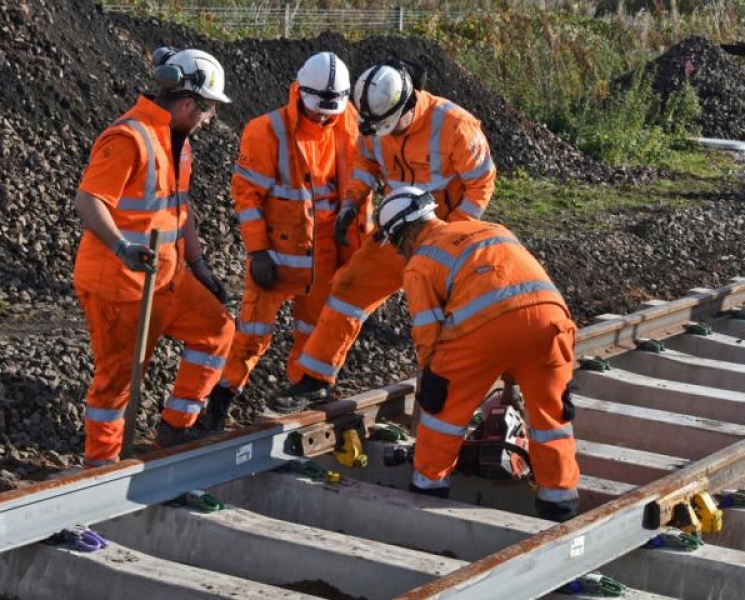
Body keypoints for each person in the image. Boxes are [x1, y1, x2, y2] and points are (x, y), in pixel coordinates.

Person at [272, 59, 497, 412]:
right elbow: (367, 164)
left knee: (446, 317)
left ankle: (453, 386)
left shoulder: (455, 125)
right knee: (347, 289)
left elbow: (481, 181)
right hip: (397, 230)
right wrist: (351, 201)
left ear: (407, 105)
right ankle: (314, 380)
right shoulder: (375, 120)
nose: (386, 135)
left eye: (390, 127)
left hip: (445, 234)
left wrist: (457, 234)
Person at [374, 186, 580, 522]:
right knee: (552, 420)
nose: (399, 254)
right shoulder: (492, 228)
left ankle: (428, 489)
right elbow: (517, 293)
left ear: (408, 232)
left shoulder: (419, 263)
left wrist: (432, 382)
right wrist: (513, 377)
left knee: (443, 417)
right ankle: (560, 506)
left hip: (484, 330)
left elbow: (427, 331)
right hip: (552, 323)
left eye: (397, 244)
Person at [73, 47, 235, 466]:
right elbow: (89, 200)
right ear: (187, 103)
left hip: (165, 277)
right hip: (119, 282)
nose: (210, 118)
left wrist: (197, 264)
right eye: (208, 109)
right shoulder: (128, 137)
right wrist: (122, 247)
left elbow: (180, 208)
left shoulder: (176, 141)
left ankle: (175, 429)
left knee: (217, 330)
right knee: (118, 382)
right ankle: (101, 465)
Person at [200, 52, 363, 430]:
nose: (324, 117)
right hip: (277, 249)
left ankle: (302, 396)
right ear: (299, 91)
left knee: (315, 330)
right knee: (253, 333)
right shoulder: (266, 131)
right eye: (318, 110)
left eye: (331, 111)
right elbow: (246, 195)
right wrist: (258, 251)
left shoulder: (349, 123)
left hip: (326, 250)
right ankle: (220, 399)